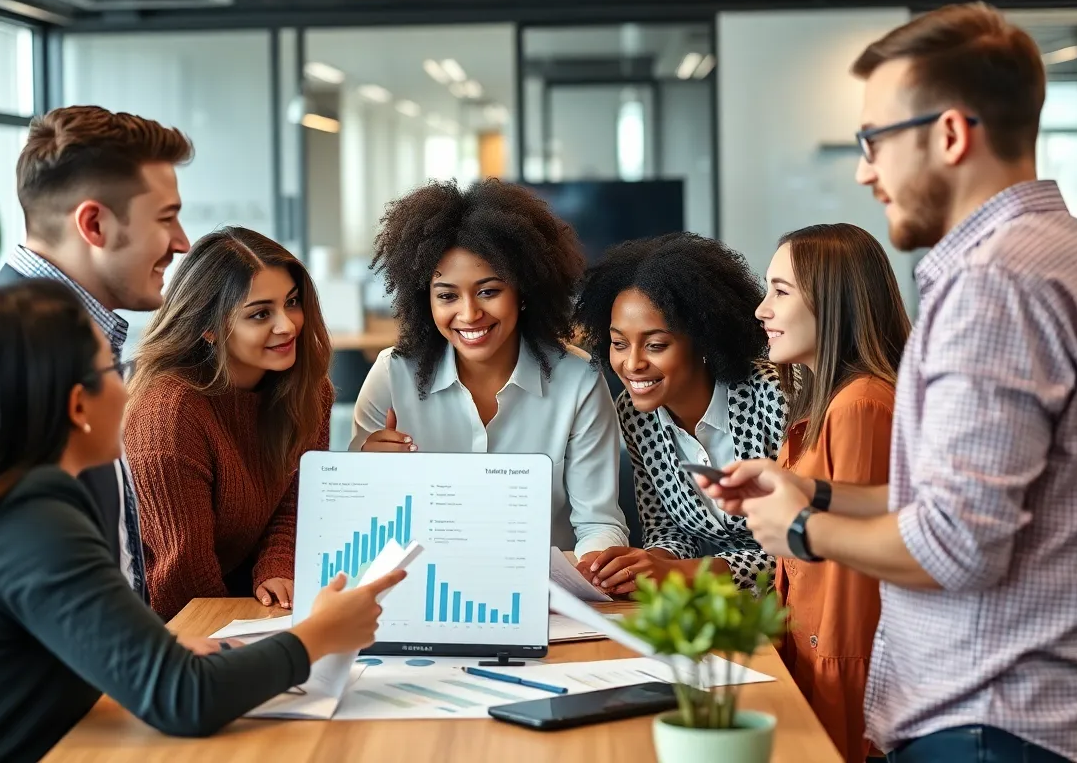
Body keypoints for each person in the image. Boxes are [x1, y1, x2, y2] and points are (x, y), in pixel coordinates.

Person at [705, 3, 1077, 763]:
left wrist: (801, 531)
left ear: (949, 134)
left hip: (986, 721)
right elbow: (961, 497)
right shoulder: (1056, 252)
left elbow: (958, 543)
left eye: (874, 139)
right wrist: (809, 491)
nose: (864, 168)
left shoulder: (993, 285)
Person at [0, 281, 403, 763]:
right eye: (115, 370)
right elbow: (185, 700)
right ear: (79, 405)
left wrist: (157, 651)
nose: (131, 390)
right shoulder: (27, 520)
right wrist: (319, 635)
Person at [350, 179, 629, 559]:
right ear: (425, 300)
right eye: (447, 295)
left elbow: (599, 524)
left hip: (547, 597)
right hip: (425, 588)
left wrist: (595, 565)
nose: (469, 314)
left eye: (489, 291)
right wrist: (364, 477)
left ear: (524, 291)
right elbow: (359, 521)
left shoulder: (577, 382)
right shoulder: (391, 377)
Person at [0, 104, 194, 602]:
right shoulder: (11, 351)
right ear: (95, 225)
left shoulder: (72, 336)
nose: (183, 243)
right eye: (166, 218)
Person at [756, 224, 909, 763]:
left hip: (842, 693)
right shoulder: (823, 405)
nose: (761, 309)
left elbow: (853, 596)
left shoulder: (861, 405)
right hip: (806, 663)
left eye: (780, 291)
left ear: (833, 301)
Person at [124, 228, 334, 620]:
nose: (287, 325)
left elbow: (297, 501)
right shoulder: (169, 415)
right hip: (162, 623)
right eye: (260, 314)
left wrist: (277, 566)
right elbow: (181, 579)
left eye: (291, 302)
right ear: (208, 328)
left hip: (248, 604)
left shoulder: (308, 391)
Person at [570, 233, 788, 593]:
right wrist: (642, 565)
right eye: (619, 344)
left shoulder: (774, 394)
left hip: (795, 610)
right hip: (717, 606)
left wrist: (684, 574)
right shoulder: (636, 413)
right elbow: (668, 530)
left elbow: (807, 543)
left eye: (656, 345)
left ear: (703, 341)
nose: (633, 364)